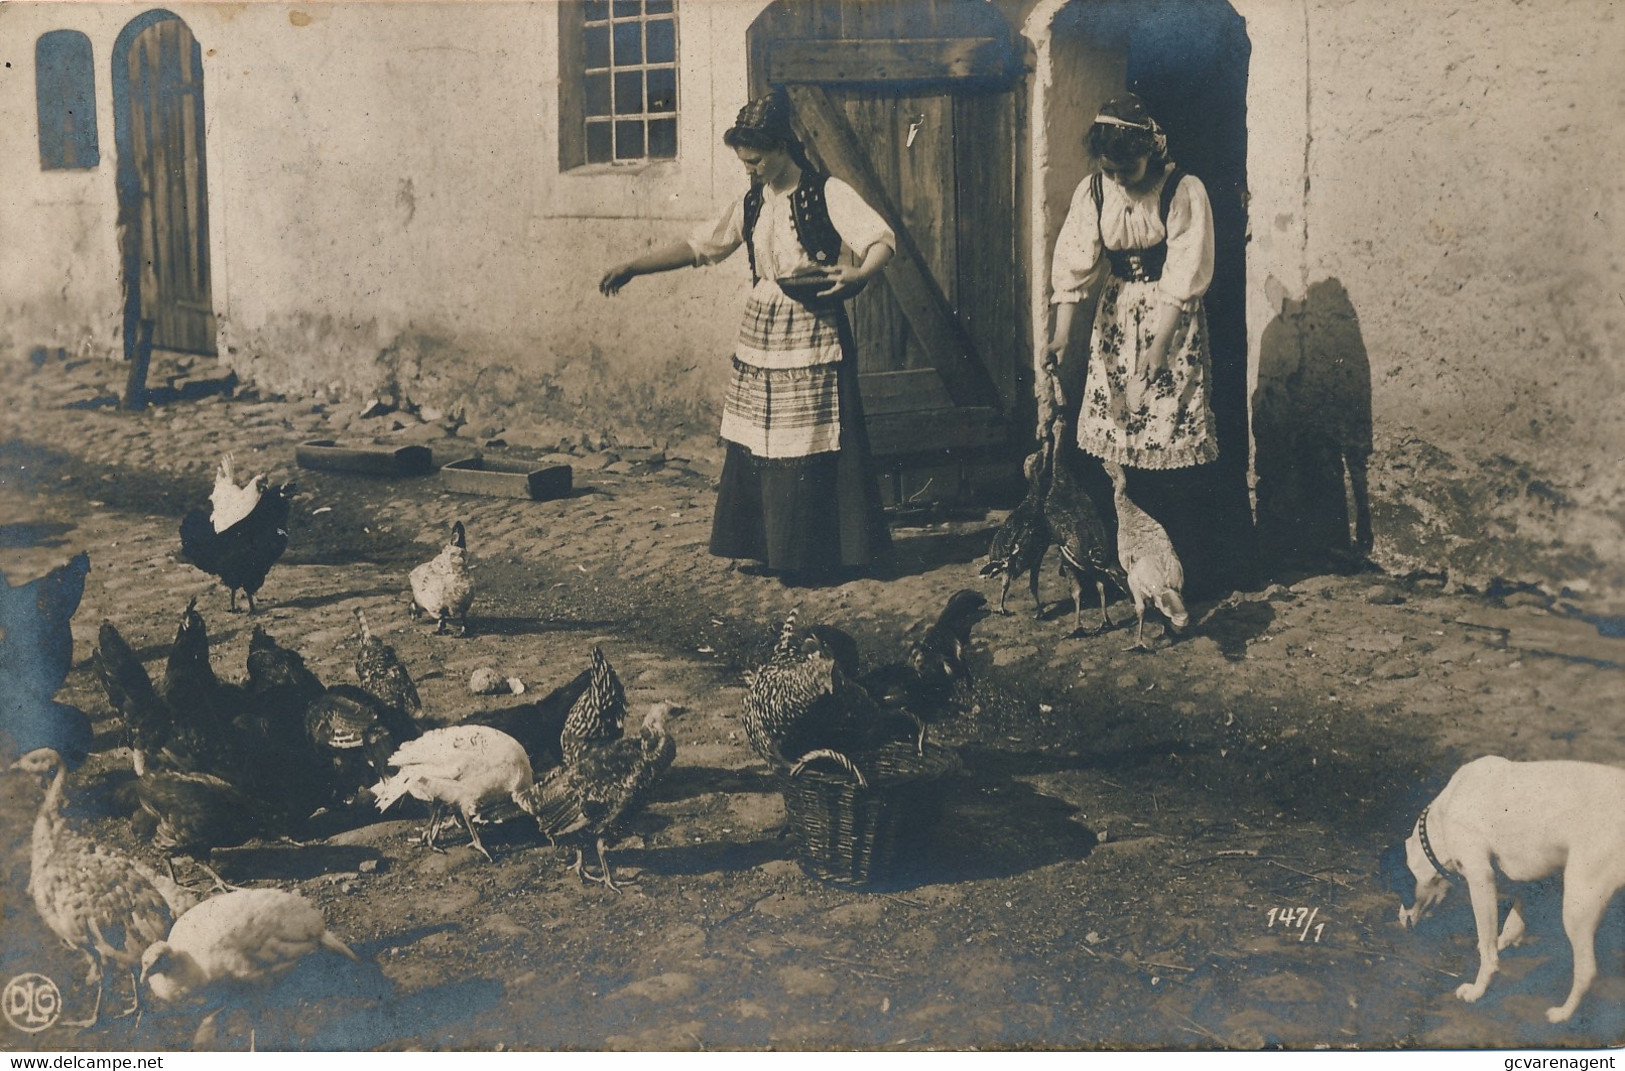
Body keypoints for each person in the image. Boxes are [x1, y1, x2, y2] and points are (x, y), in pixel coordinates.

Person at [600, 90, 894, 585]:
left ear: (782, 147)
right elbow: (701, 246)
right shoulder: (752, 201)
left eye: (755, 161)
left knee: (812, 439)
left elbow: (881, 240)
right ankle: (769, 547)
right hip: (762, 333)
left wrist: (860, 276)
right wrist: (634, 266)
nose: (749, 170)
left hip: (812, 329)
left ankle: (818, 556)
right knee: (762, 438)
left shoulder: (826, 192)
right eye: (744, 163)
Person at [1045, 93, 1222, 595]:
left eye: (1129, 167)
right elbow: (1075, 263)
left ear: (1153, 149)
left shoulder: (1183, 190)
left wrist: (1161, 344)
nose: (1120, 178)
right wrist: (1061, 335)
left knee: (1168, 434)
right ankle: (1132, 572)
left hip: (1172, 320)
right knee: (1120, 442)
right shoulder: (1096, 193)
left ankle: (1186, 572)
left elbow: (1187, 269)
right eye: (1111, 169)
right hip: (1116, 319)